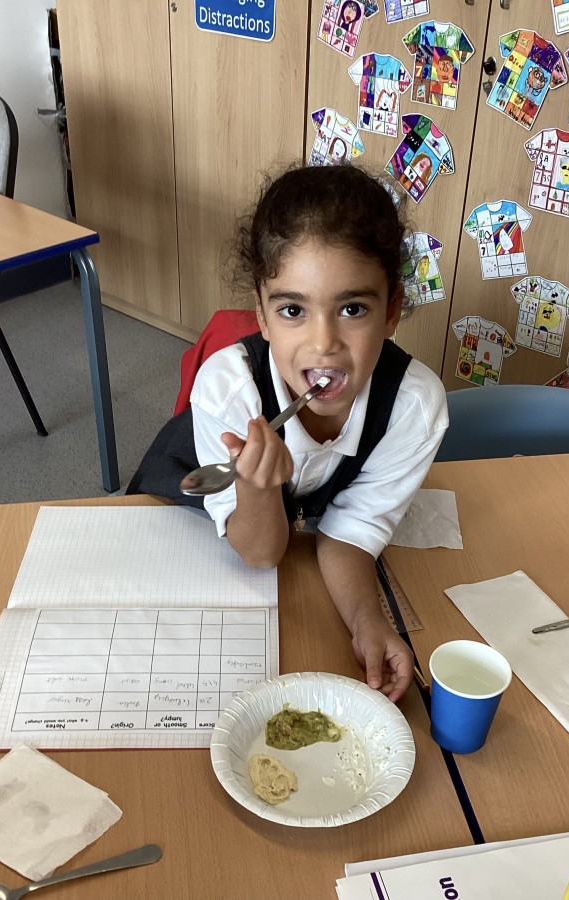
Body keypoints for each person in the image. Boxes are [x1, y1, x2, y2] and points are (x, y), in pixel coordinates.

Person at [128, 164, 448, 701]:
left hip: (297, 532)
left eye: (352, 309)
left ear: (391, 310)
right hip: (190, 514)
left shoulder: (413, 407)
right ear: (262, 315)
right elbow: (260, 554)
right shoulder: (229, 392)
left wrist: (367, 621)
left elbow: (350, 532)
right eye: (293, 310)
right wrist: (257, 490)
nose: (324, 344)